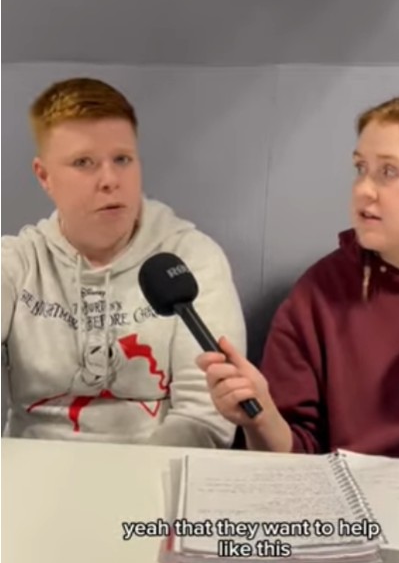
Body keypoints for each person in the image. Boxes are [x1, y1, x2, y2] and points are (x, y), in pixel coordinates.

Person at [198, 93, 399, 464]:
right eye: (361, 168)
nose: (363, 189)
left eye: (389, 172)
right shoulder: (318, 294)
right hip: (344, 514)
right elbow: (291, 457)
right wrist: (261, 416)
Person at [1, 77, 246, 447]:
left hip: (156, 479)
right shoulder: (17, 263)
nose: (110, 180)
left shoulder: (191, 258)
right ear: (45, 176)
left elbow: (205, 417)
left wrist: (133, 486)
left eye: (122, 159)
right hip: (35, 475)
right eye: (83, 162)